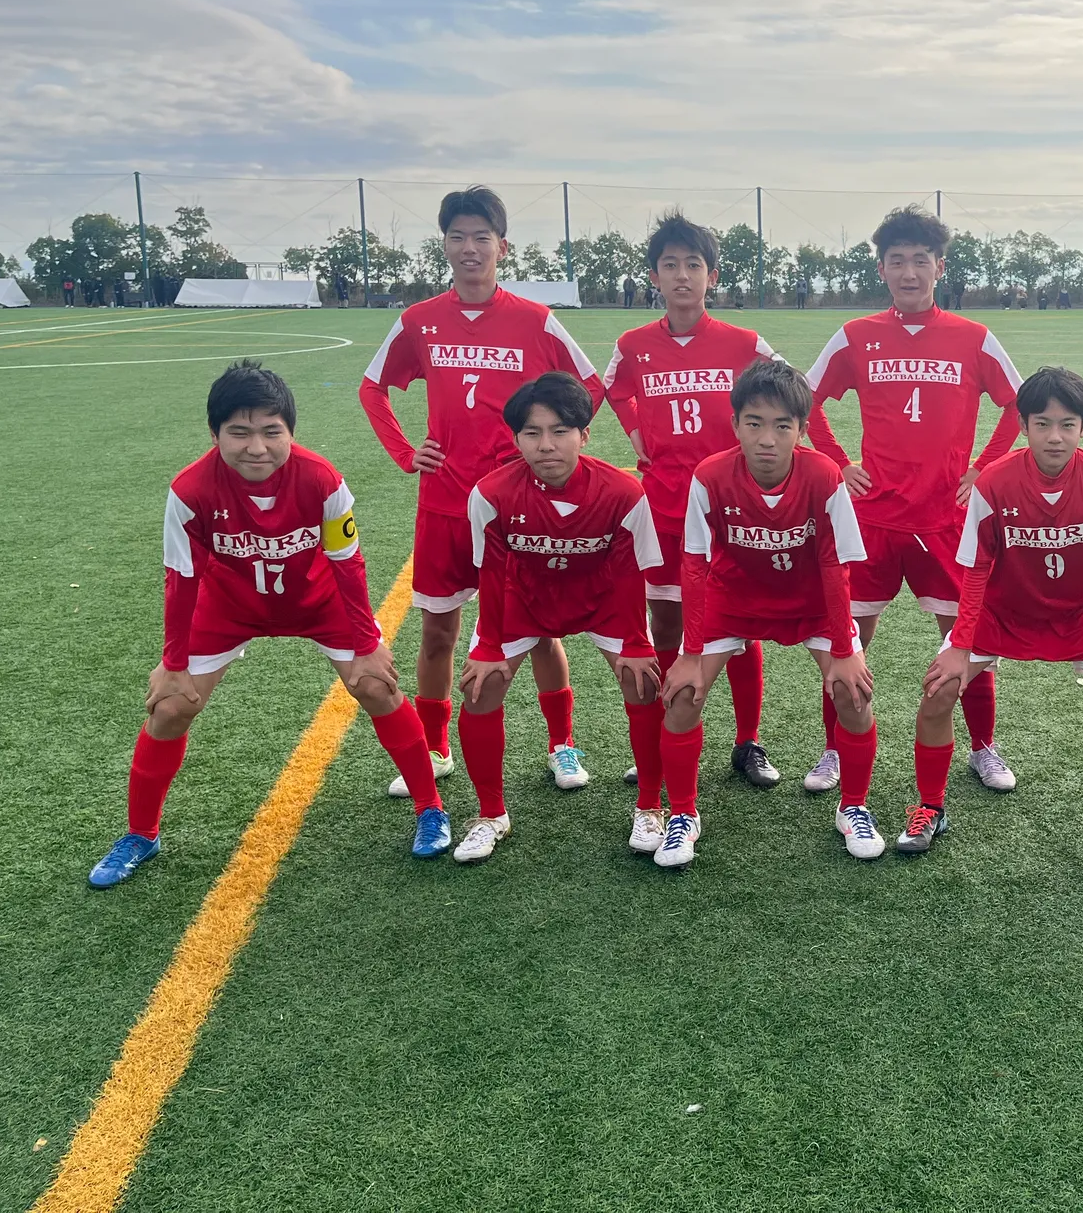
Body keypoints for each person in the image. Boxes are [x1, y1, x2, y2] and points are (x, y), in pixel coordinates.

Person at [88, 362, 450, 887]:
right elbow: (181, 578)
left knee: (376, 685)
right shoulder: (190, 490)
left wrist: (368, 643)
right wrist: (173, 663)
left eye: (270, 431)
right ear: (214, 433)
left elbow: (347, 563)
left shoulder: (322, 479)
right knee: (170, 707)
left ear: (290, 432)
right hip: (229, 607)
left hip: (318, 602)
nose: (256, 447)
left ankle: (430, 807)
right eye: (239, 432)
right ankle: (141, 834)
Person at [358, 186, 606, 800]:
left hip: (515, 505)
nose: (470, 248)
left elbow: (590, 387)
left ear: (502, 246)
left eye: (481, 237)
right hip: (444, 501)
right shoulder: (419, 319)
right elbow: (372, 387)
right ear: (444, 244)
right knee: (438, 631)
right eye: (458, 236)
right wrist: (405, 451)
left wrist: (544, 454)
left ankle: (561, 743)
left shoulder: (535, 319)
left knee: (538, 627)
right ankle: (434, 747)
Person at [601, 212, 835, 790]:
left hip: (732, 511)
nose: (682, 276)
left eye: (694, 265)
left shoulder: (743, 343)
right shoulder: (633, 345)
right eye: (670, 265)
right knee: (665, 625)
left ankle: (747, 741)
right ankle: (667, 734)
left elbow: (796, 392)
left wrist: (821, 457)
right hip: (664, 507)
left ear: (712, 275)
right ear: (654, 276)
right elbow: (613, 390)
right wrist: (637, 434)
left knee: (739, 628)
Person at [898, 366, 1083, 858]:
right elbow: (977, 569)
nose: (1055, 436)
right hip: (1000, 615)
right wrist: (960, 645)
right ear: (1023, 425)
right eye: (1042, 424)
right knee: (938, 693)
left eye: (1067, 425)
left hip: (1079, 617)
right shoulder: (995, 482)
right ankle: (931, 807)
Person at [804, 204, 1024, 795]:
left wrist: (984, 468)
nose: (909, 272)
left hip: (946, 517)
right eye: (897, 260)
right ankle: (833, 748)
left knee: (967, 638)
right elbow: (805, 398)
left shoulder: (973, 337)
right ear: (881, 268)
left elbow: (1017, 403)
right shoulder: (856, 335)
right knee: (846, 640)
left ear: (939, 267)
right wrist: (837, 461)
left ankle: (983, 747)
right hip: (872, 518)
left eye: (920, 260)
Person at [656, 359, 879, 867]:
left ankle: (854, 807)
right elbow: (694, 564)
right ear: (735, 424)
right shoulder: (710, 476)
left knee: (853, 692)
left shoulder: (823, 475)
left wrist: (844, 649)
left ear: (802, 430)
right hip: (733, 600)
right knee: (684, 695)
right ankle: (683, 815)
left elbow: (835, 564)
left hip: (811, 604)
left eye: (782, 426)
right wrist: (690, 653)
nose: (767, 439)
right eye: (754, 423)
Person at [452, 373, 666, 864]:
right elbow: (492, 573)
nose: (546, 445)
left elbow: (630, 573)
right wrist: (488, 649)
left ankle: (650, 805)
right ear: (516, 439)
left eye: (560, 431)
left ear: (584, 435)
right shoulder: (491, 493)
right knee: (479, 688)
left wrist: (636, 643)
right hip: (523, 601)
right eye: (532, 433)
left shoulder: (623, 491)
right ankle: (490, 814)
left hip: (603, 599)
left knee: (643, 682)